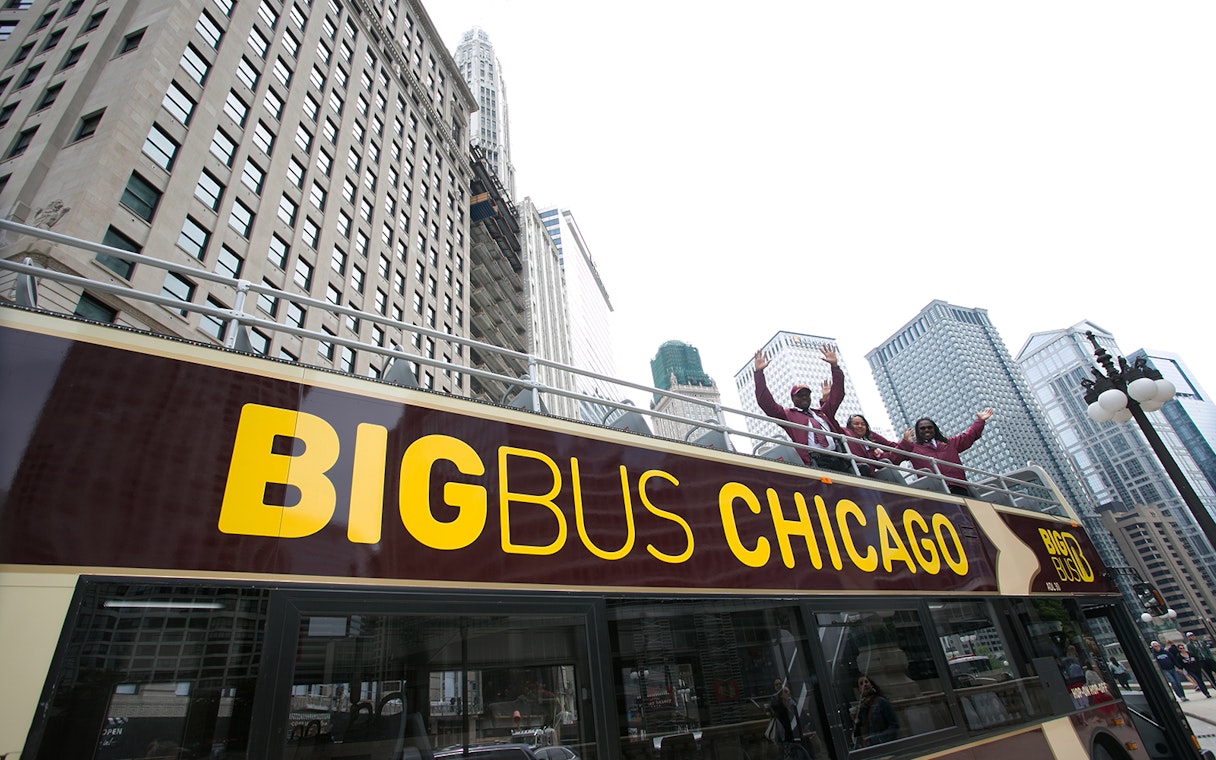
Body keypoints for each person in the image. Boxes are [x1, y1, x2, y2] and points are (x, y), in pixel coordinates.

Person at [754, 346, 850, 473]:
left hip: (838, 458)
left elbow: (838, 393)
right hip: (815, 462)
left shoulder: (822, 413)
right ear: (793, 399)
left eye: (806, 394)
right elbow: (766, 403)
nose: (804, 397)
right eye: (800, 395)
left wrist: (835, 367)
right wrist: (759, 374)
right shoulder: (787, 415)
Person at [897, 410, 993, 495]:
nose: (926, 430)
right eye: (922, 428)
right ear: (917, 432)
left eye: (929, 427)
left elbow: (968, 436)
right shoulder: (912, 448)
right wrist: (905, 442)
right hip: (933, 490)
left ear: (935, 429)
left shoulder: (949, 443)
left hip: (958, 486)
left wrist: (980, 421)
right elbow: (892, 448)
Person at [843, 414, 906, 482]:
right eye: (856, 424)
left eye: (863, 424)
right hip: (856, 474)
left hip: (871, 477)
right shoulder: (845, 435)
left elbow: (889, 456)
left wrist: (905, 443)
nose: (860, 426)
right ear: (849, 426)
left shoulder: (869, 445)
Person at [852, 676, 897, 747]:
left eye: (866, 682)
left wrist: (880, 739)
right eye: (861, 683)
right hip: (873, 746)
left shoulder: (881, 702)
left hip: (885, 744)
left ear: (871, 685)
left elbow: (894, 725)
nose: (865, 684)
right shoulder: (863, 707)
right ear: (859, 690)